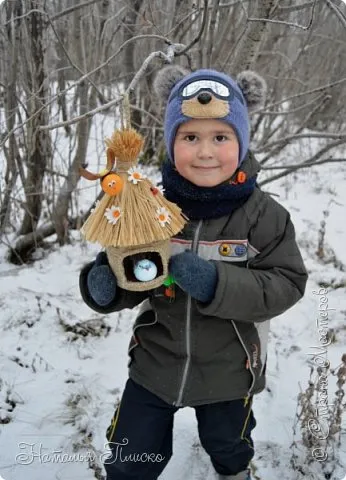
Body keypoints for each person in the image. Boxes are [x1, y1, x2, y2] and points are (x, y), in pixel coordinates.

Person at [79, 66, 308, 480]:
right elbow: (138, 271)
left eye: (220, 137)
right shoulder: (152, 207)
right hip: (154, 362)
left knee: (229, 444)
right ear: (171, 143)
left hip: (229, 370)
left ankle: (233, 471)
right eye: (190, 137)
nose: (205, 152)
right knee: (130, 457)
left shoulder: (264, 217)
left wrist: (216, 283)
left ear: (241, 142)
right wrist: (109, 286)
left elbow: (288, 284)